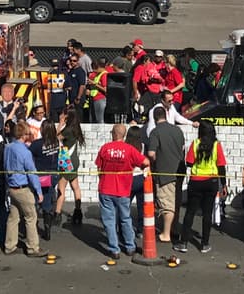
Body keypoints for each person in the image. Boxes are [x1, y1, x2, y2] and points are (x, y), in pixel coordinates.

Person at [94, 123, 149, 259]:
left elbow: (99, 168)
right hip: (123, 190)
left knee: (109, 220)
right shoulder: (129, 149)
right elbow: (146, 161)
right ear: (124, 135)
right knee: (125, 218)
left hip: (106, 188)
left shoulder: (105, 148)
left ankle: (114, 249)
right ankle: (130, 247)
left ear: (113, 133)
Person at [175, 120, 226, 254]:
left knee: (190, 212)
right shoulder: (216, 145)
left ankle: (184, 242)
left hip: (196, 181)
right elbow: (221, 166)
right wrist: (224, 184)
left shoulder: (196, 143)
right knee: (207, 213)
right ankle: (204, 244)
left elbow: (189, 163)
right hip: (212, 181)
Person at [3, 121, 47, 257]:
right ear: (24, 135)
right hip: (22, 188)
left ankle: (9, 246)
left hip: (11, 186)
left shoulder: (8, 148)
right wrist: (38, 191)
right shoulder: (25, 152)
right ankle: (32, 248)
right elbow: (31, 172)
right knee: (31, 217)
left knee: (13, 217)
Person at [146, 106, 186, 243]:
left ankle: (166, 234)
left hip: (165, 172)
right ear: (166, 115)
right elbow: (182, 148)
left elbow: (151, 153)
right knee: (175, 202)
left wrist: (155, 161)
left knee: (167, 204)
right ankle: (174, 228)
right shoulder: (178, 130)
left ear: (155, 118)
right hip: (179, 171)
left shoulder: (155, 132)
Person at [29, 121, 61, 240]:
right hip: (52, 175)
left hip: (40, 176)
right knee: (47, 201)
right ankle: (47, 229)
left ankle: (34, 227)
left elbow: (28, 156)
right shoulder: (56, 142)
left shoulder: (37, 144)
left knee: (36, 201)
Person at [54, 110, 85, 226]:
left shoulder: (67, 130)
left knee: (61, 188)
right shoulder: (76, 128)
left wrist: (60, 124)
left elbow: (56, 137)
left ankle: (57, 213)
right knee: (75, 186)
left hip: (67, 162)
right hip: (74, 160)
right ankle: (78, 212)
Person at [87, 59, 116, 124]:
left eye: (94, 68)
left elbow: (105, 89)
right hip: (94, 98)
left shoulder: (104, 75)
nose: (93, 71)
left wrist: (94, 84)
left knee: (99, 119)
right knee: (93, 119)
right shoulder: (98, 74)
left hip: (100, 99)